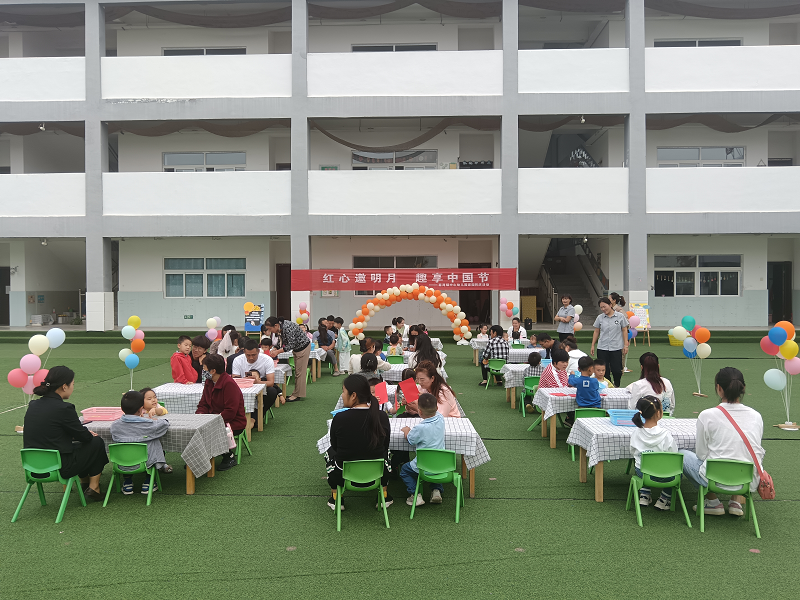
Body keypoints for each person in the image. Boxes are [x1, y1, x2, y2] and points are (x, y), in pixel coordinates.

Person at [681, 367, 765, 517]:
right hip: (747, 480)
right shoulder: (756, 416)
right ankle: (736, 501)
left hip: (714, 478)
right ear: (743, 388)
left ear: (719, 388)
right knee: (743, 454)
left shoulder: (707, 415)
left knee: (682, 455)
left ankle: (712, 501)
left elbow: (701, 454)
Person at [23, 366, 109, 501]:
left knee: (80, 445)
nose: (72, 387)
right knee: (96, 442)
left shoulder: (33, 405)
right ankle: (94, 488)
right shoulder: (64, 408)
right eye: (72, 384)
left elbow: (50, 432)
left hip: (32, 467)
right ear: (64, 386)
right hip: (60, 466)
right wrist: (86, 434)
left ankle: (84, 483)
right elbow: (85, 437)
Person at [325, 375, 393, 511]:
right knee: (387, 453)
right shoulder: (381, 416)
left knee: (329, 452)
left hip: (343, 475)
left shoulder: (339, 418)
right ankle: (383, 497)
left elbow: (335, 445)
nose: (342, 395)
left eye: (343, 391)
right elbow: (385, 444)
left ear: (353, 395)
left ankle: (337, 497)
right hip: (377, 475)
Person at [110, 391, 170, 495]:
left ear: (122, 408)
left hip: (121, 463)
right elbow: (165, 424)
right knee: (154, 441)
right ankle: (149, 480)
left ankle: (127, 481)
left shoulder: (114, 426)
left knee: (126, 446)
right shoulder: (150, 424)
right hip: (146, 462)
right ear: (141, 409)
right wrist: (153, 420)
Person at [196, 354, 247, 471]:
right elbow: (203, 404)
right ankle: (201, 458)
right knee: (197, 429)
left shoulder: (229, 384)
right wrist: (200, 415)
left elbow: (230, 412)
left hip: (233, 422)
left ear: (213, 371)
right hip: (214, 419)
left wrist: (212, 421)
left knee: (210, 431)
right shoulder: (209, 382)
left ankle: (229, 456)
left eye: (204, 369)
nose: (203, 372)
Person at [630, 395, 678, 511]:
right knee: (677, 471)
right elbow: (674, 454)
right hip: (665, 476)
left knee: (641, 464)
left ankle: (644, 495)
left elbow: (633, 452)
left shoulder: (636, 433)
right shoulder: (665, 434)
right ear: (658, 413)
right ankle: (663, 499)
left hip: (643, 474)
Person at [400, 393, 446, 507]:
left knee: (404, 470)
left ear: (419, 411)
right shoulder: (440, 419)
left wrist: (406, 430)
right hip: (441, 465)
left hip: (423, 465)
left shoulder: (419, 428)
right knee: (435, 467)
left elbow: (410, 440)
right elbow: (431, 411)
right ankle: (436, 490)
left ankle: (415, 494)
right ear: (437, 408)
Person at [264, 316, 311, 402]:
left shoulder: (287, 327)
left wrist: (278, 352)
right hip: (297, 349)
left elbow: (291, 344)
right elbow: (281, 341)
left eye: (270, 329)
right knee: (298, 372)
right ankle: (296, 393)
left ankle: (297, 395)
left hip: (303, 348)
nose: (270, 331)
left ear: (276, 325)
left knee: (300, 373)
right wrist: (275, 348)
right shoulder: (280, 327)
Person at [232, 339, 279, 415]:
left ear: (258, 351)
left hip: (261, 387)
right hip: (242, 388)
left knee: (272, 391)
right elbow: (235, 380)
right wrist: (246, 380)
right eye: (248, 355)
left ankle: (257, 415)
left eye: (254, 355)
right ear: (244, 352)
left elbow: (271, 383)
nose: (251, 358)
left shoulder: (267, 360)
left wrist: (257, 382)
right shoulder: (237, 360)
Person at [590, 297, 629, 387]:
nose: (603, 309)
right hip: (602, 347)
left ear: (610, 305)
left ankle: (617, 385)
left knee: (617, 370)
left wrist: (625, 345)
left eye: (604, 306)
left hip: (616, 347)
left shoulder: (620, 316)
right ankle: (608, 386)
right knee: (604, 370)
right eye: (601, 307)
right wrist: (592, 345)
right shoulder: (600, 317)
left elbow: (624, 330)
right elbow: (596, 331)